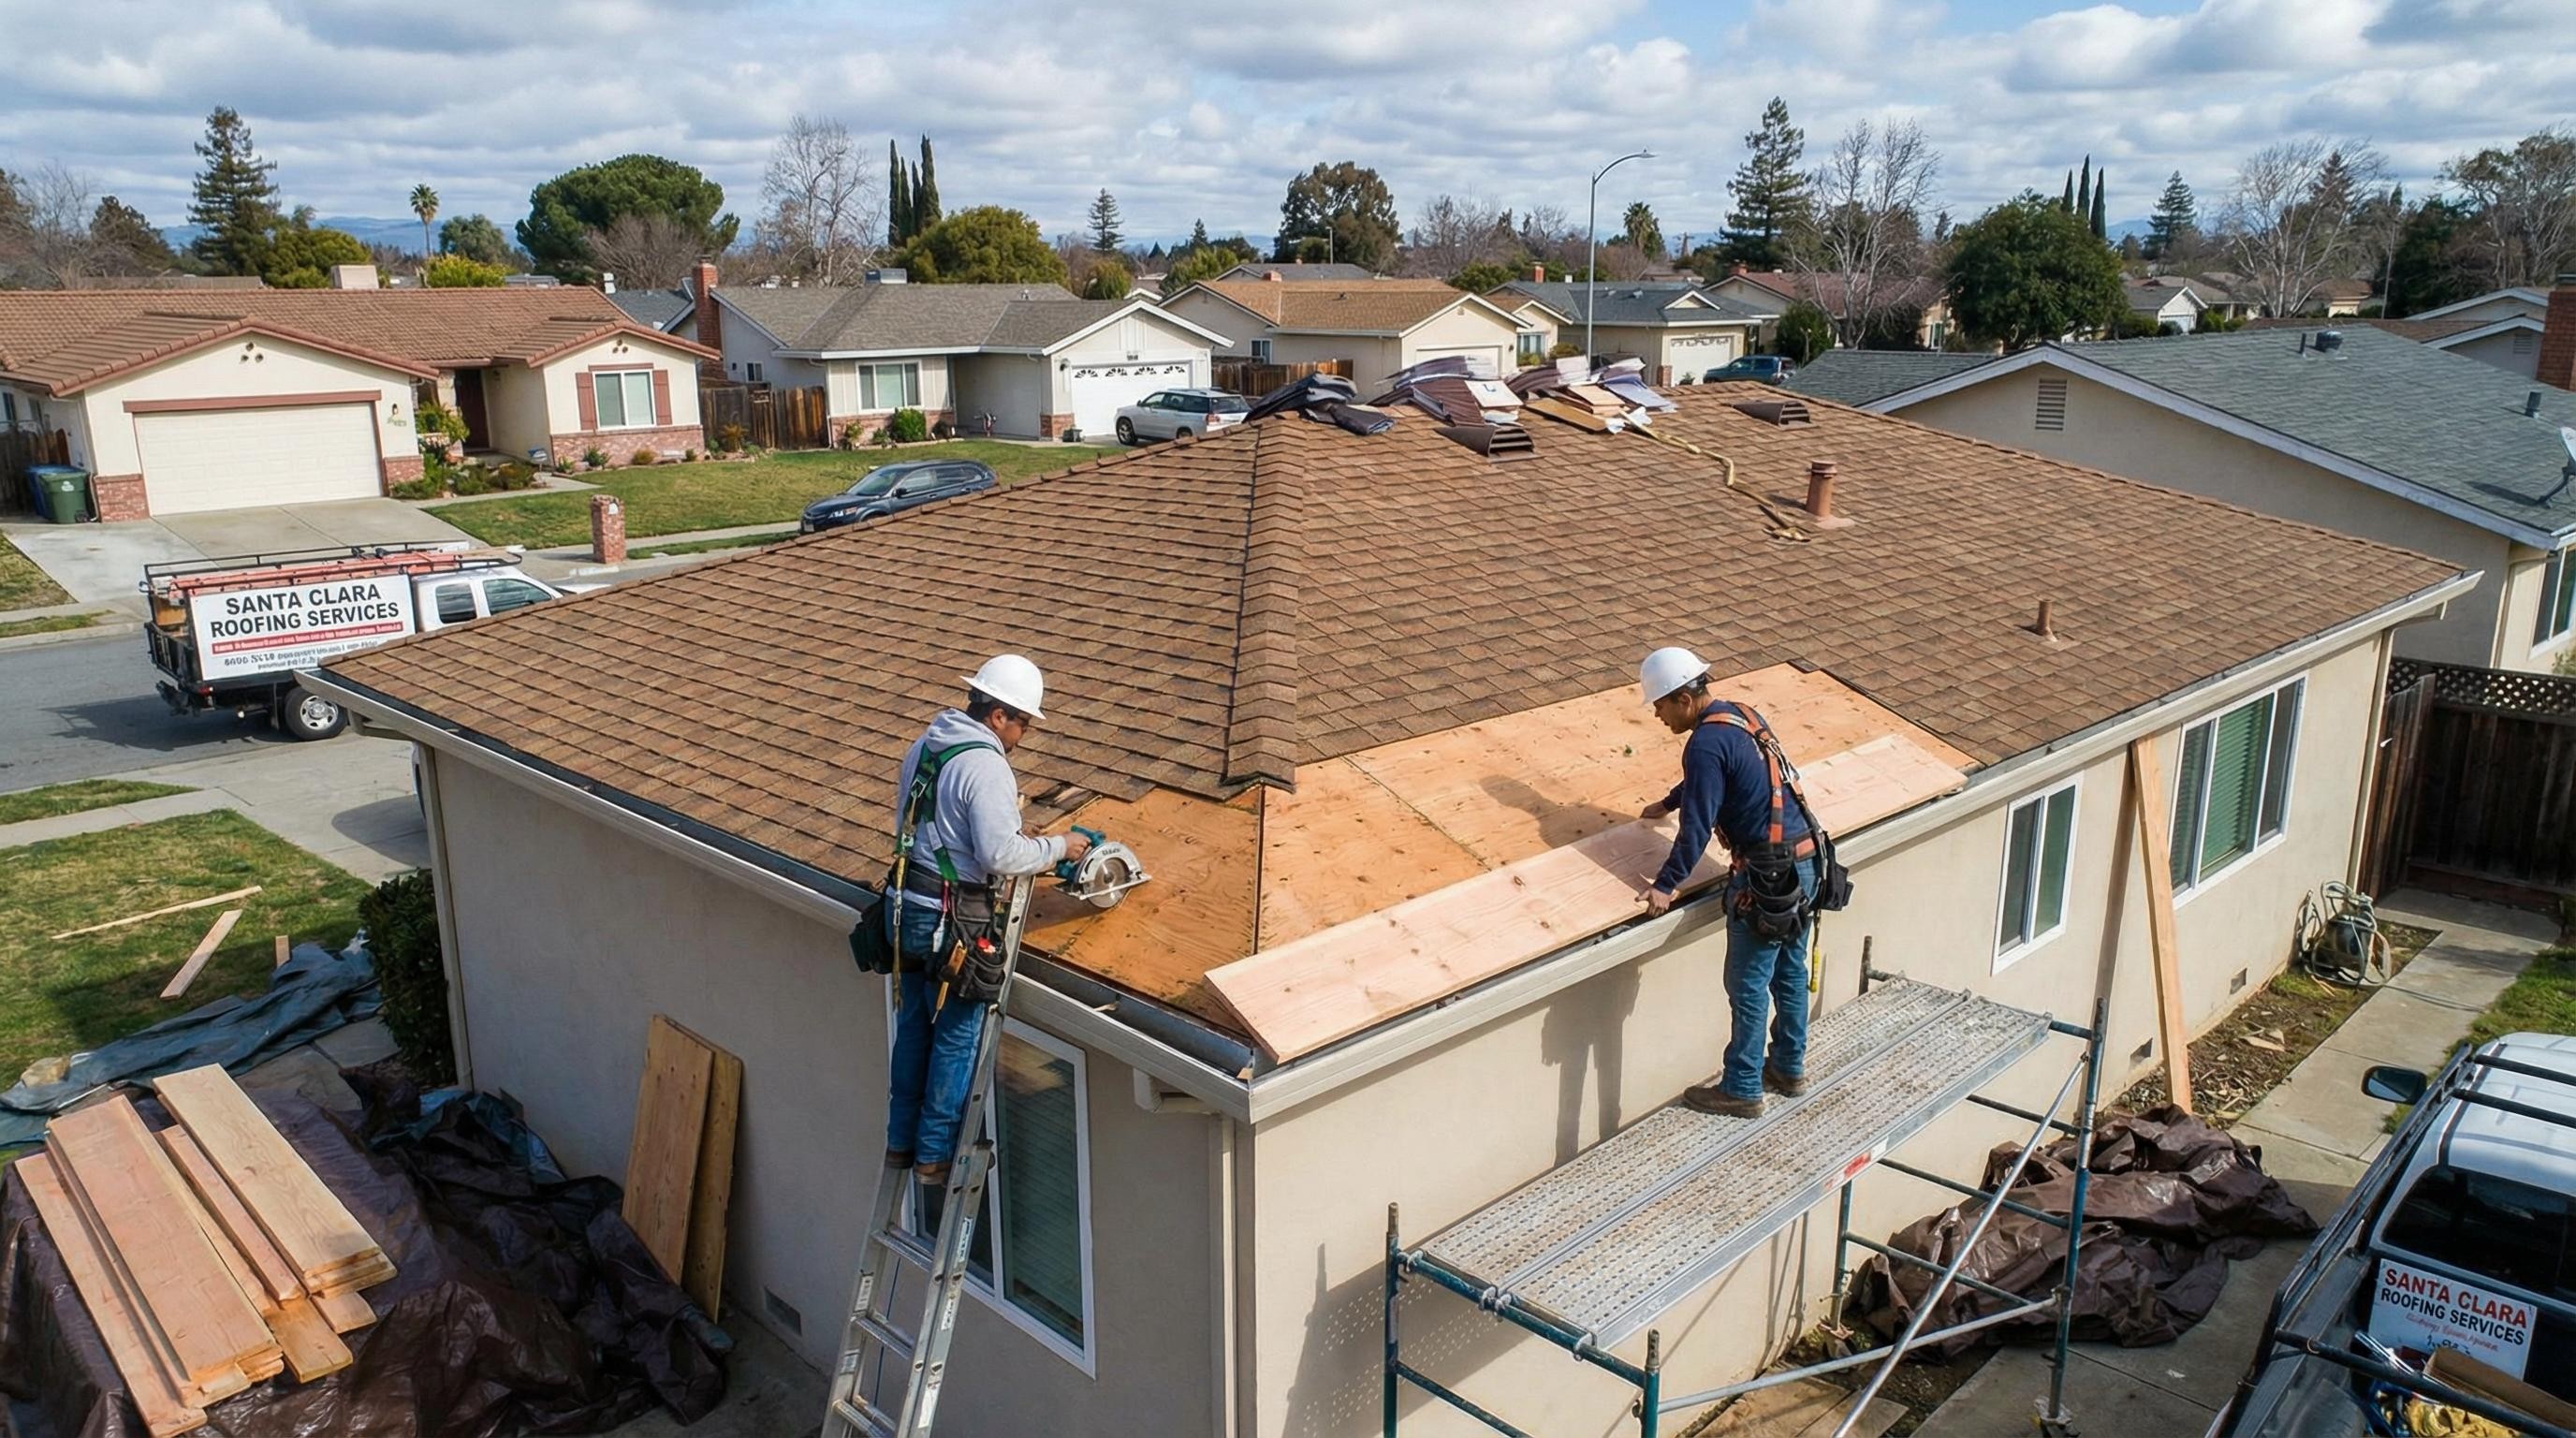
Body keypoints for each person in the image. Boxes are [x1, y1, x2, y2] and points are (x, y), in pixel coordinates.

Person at [885, 653, 1092, 1208]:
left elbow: (940, 824)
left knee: (913, 1026)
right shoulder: (986, 765)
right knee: (957, 1030)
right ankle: (937, 1153)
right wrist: (1059, 848)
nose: (1024, 734)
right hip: (951, 916)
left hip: (905, 905)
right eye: (1023, 722)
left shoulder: (927, 744)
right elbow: (999, 855)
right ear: (999, 714)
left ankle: (902, 1144)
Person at [1636, 645, 1818, 1119]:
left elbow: (1698, 827)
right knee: (1791, 972)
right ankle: (1788, 1067)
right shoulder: (1741, 715)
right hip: (1805, 861)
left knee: (1749, 984)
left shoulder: (1704, 743)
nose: (1658, 716)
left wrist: (1666, 884)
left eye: (1659, 705)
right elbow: (1722, 778)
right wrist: (1670, 800)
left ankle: (1741, 1088)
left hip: (1766, 878)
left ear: (1681, 698)